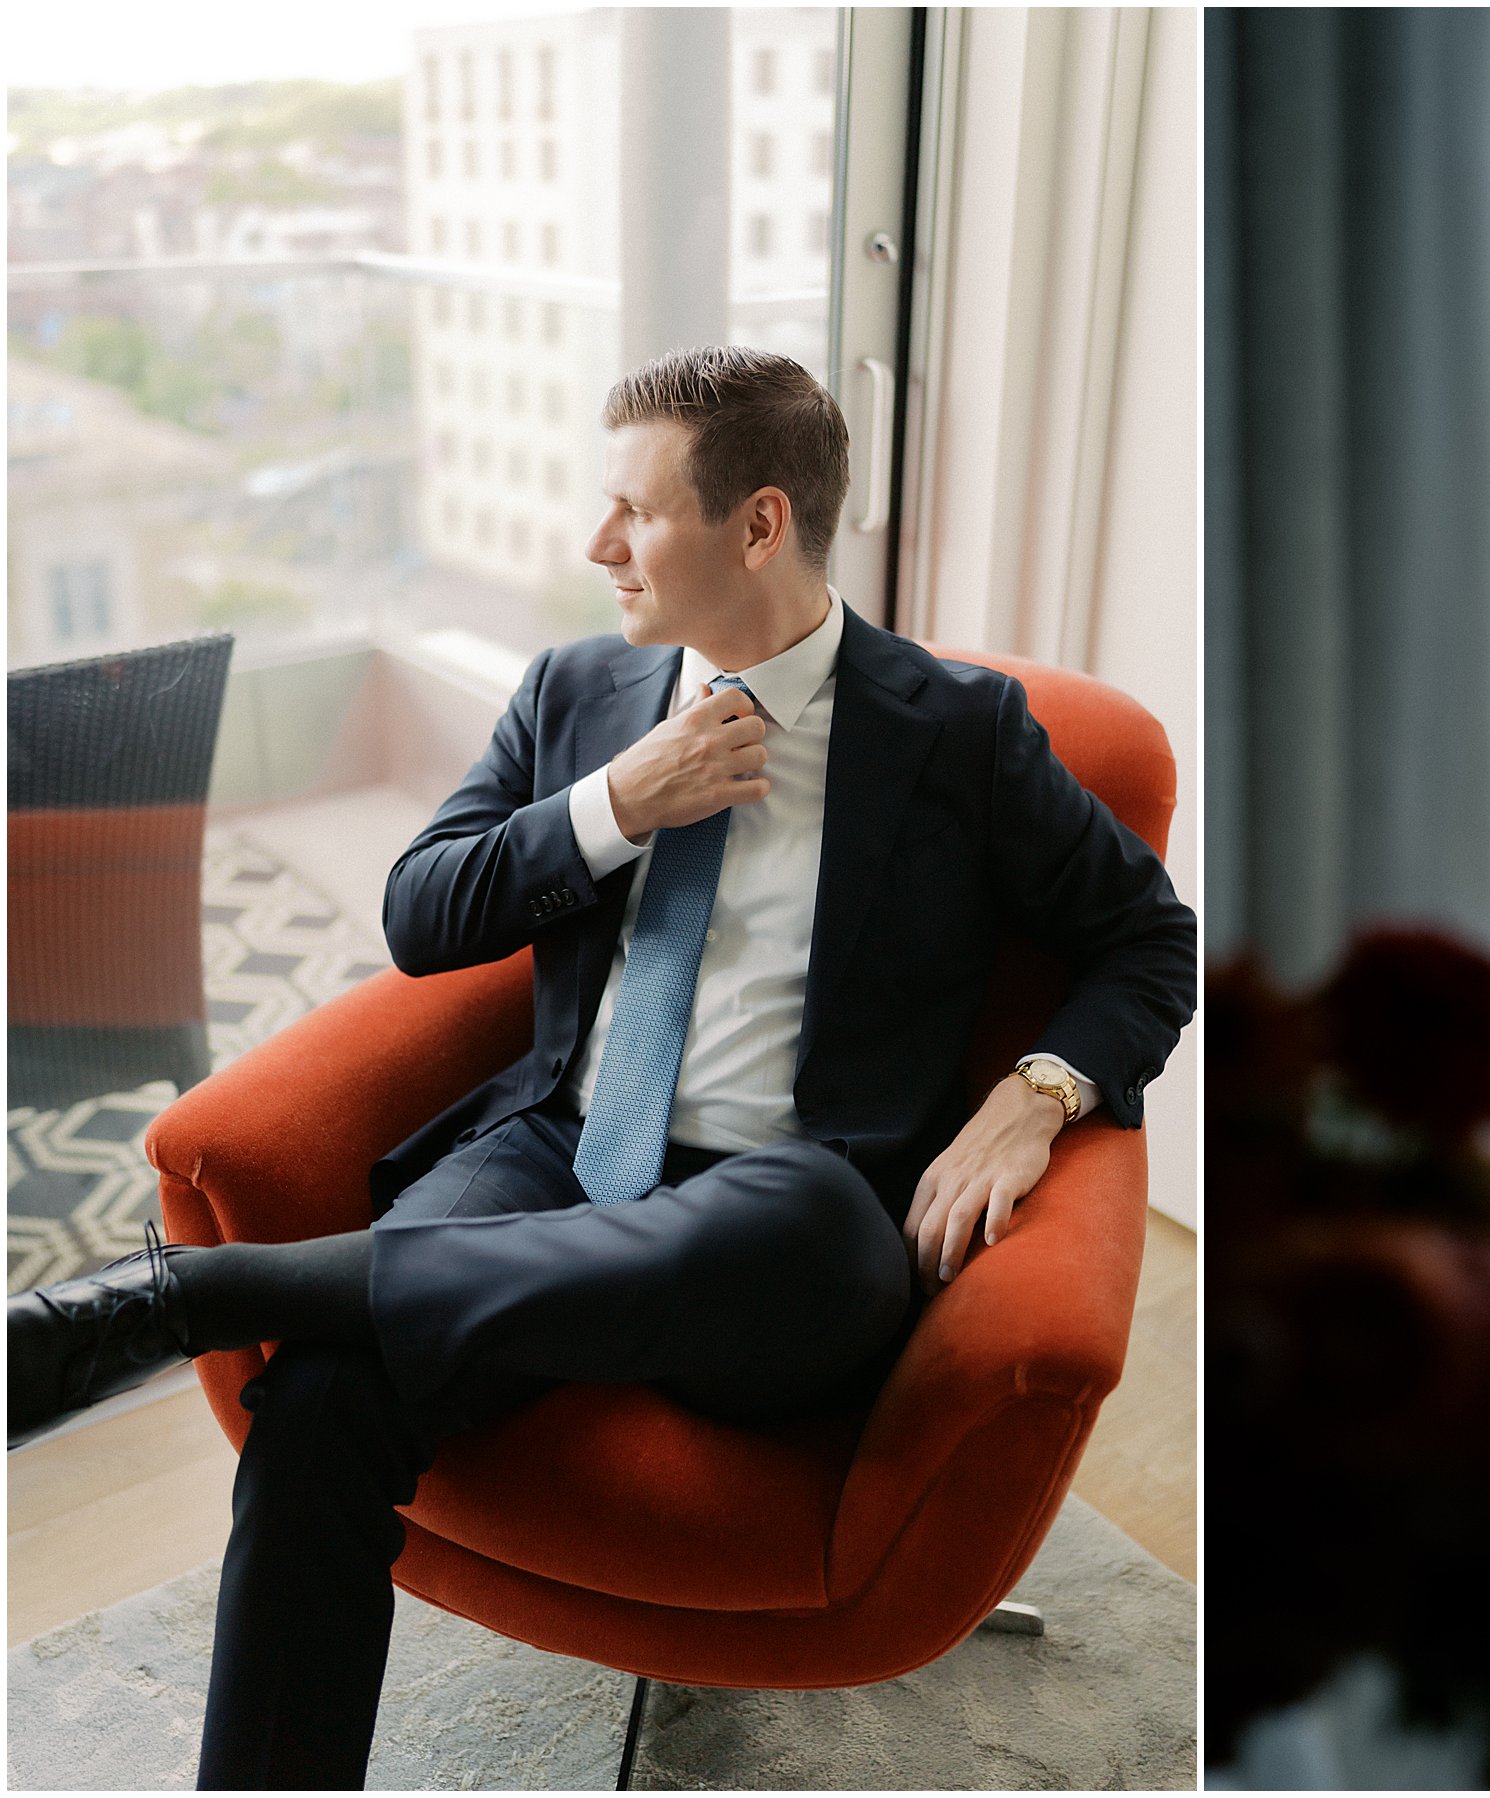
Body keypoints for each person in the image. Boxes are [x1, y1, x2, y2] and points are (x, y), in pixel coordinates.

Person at [6, 345, 1196, 1789]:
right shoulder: (576, 693)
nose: (596, 545)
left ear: (759, 524)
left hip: (781, 1219)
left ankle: (180, 1298)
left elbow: (1148, 942)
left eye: (634, 511)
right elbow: (419, 912)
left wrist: (1040, 1092)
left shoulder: (955, 735)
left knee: (819, 1222)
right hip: (555, 1156)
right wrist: (609, 808)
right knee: (319, 1399)